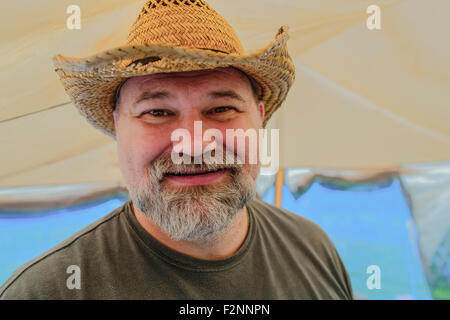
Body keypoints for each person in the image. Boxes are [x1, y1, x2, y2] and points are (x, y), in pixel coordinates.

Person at [0, 0, 353, 299]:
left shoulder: (314, 249)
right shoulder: (48, 291)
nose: (195, 144)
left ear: (259, 118)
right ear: (117, 126)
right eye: (157, 112)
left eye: (221, 109)